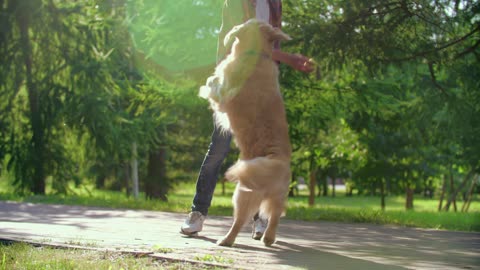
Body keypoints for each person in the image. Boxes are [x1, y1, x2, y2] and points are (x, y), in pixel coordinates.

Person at [181, 0, 314, 239]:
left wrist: (281, 59)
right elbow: (243, 44)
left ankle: (260, 219)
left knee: (260, 151)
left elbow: (270, 40)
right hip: (235, 80)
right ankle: (197, 213)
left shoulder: (274, 4)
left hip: (262, 83)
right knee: (218, 148)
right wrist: (288, 57)